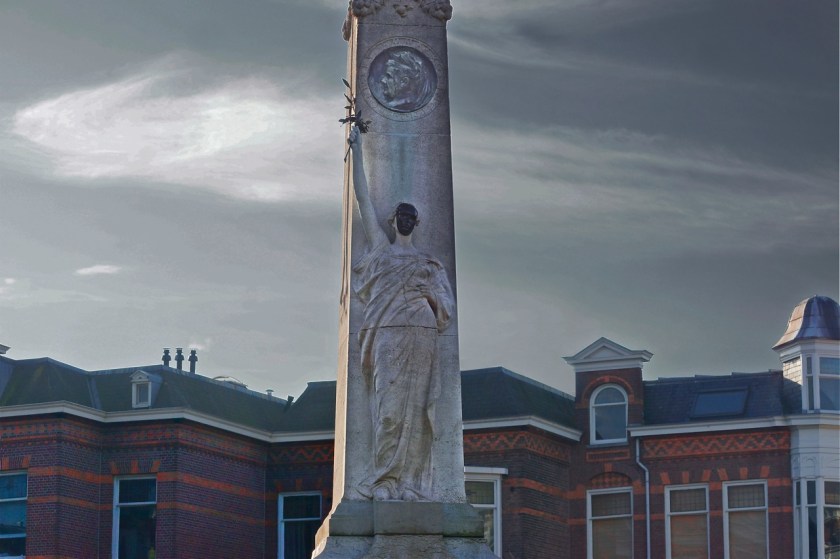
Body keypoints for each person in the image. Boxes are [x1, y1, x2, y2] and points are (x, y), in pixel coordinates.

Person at [347, 125, 454, 501]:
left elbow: (447, 311)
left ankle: (411, 482)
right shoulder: (382, 250)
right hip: (388, 332)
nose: (406, 220)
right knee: (390, 411)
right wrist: (356, 150)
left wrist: (430, 294)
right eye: (401, 216)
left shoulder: (429, 263)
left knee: (418, 413)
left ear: (417, 223)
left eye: (412, 217)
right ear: (393, 221)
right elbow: (362, 199)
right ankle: (384, 480)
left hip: (422, 333)